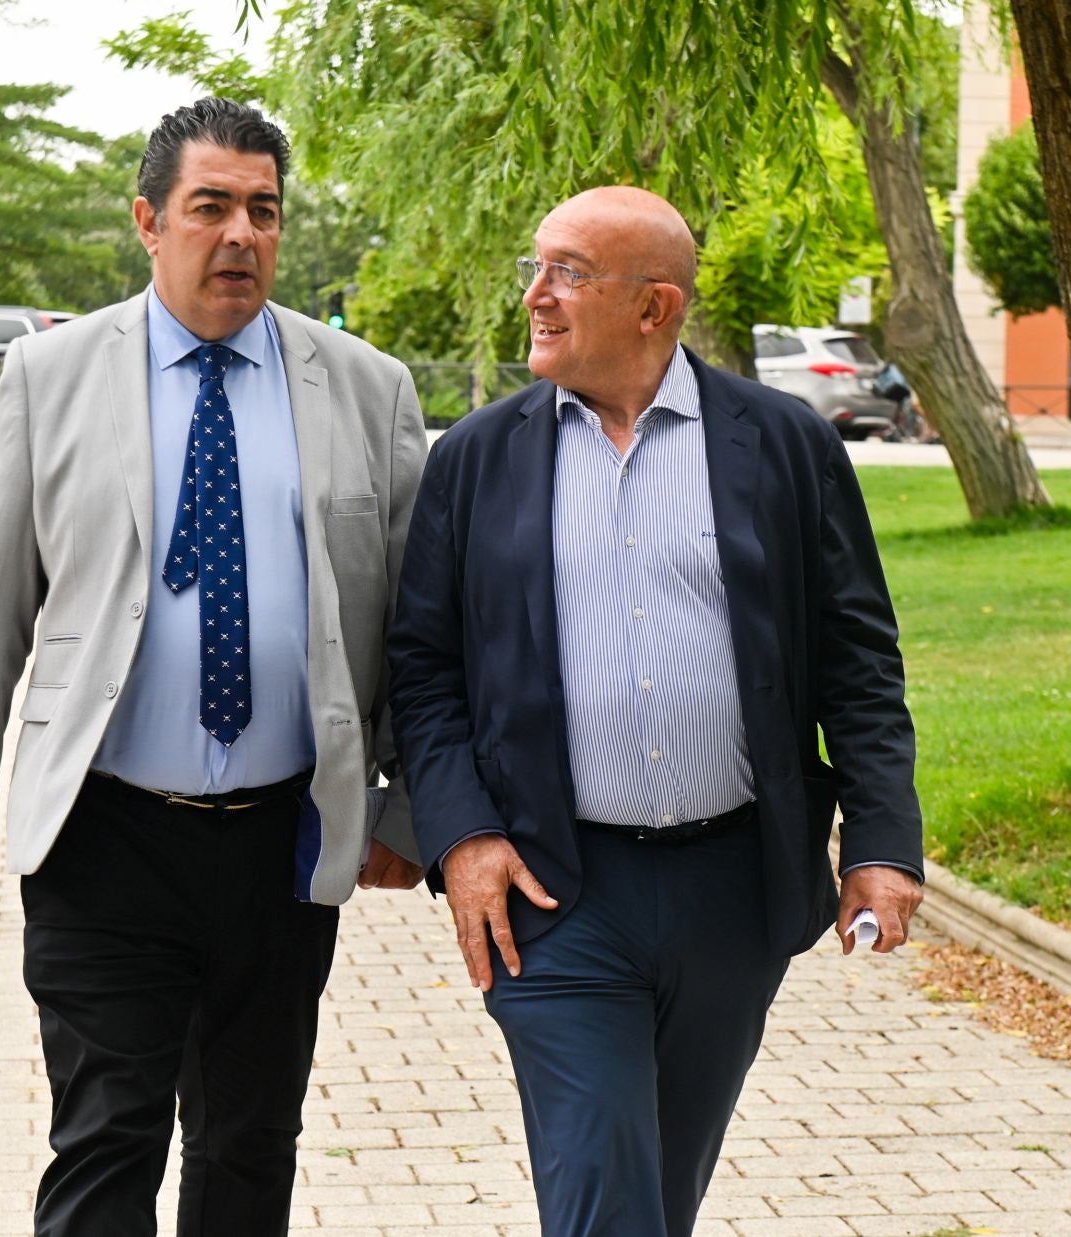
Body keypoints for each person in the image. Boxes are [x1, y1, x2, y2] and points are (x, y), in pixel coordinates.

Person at [0, 97, 427, 1237]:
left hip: (282, 840)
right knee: (106, 1140)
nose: (239, 234)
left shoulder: (366, 389)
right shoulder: (48, 377)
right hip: (104, 831)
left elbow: (410, 626)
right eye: (211, 208)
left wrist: (402, 802)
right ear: (149, 220)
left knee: (251, 1147)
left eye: (263, 211)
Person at [386, 185, 925, 1236]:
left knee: (660, 1192)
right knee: (603, 1189)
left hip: (734, 886)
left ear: (655, 306)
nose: (536, 295)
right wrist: (463, 835)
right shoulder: (478, 460)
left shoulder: (783, 445)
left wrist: (883, 840)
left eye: (569, 273)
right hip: (550, 889)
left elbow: (857, 658)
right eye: (536, 267)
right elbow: (423, 669)